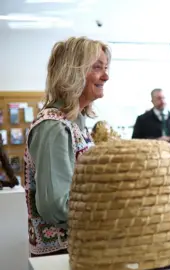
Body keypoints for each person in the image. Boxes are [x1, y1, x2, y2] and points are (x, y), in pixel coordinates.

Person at [24, 36, 109, 257]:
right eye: (97, 68)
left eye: (106, 68)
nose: (106, 76)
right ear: (73, 72)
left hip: (79, 249)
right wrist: (112, 207)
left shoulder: (75, 122)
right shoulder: (54, 126)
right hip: (63, 255)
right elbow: (56, 206)